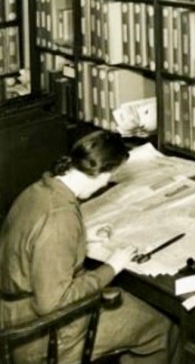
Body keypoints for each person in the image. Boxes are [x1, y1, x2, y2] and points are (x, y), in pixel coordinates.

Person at [0, 131, 174, 364]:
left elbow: (34, 245)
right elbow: (51, 304)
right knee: (164, 326)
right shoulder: (59, 219)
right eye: (110, 176)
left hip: (11, 311)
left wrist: (81, 239)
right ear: (101, 172)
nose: (107, 183)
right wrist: (112, 267)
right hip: (38, 333)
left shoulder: (40, 189)